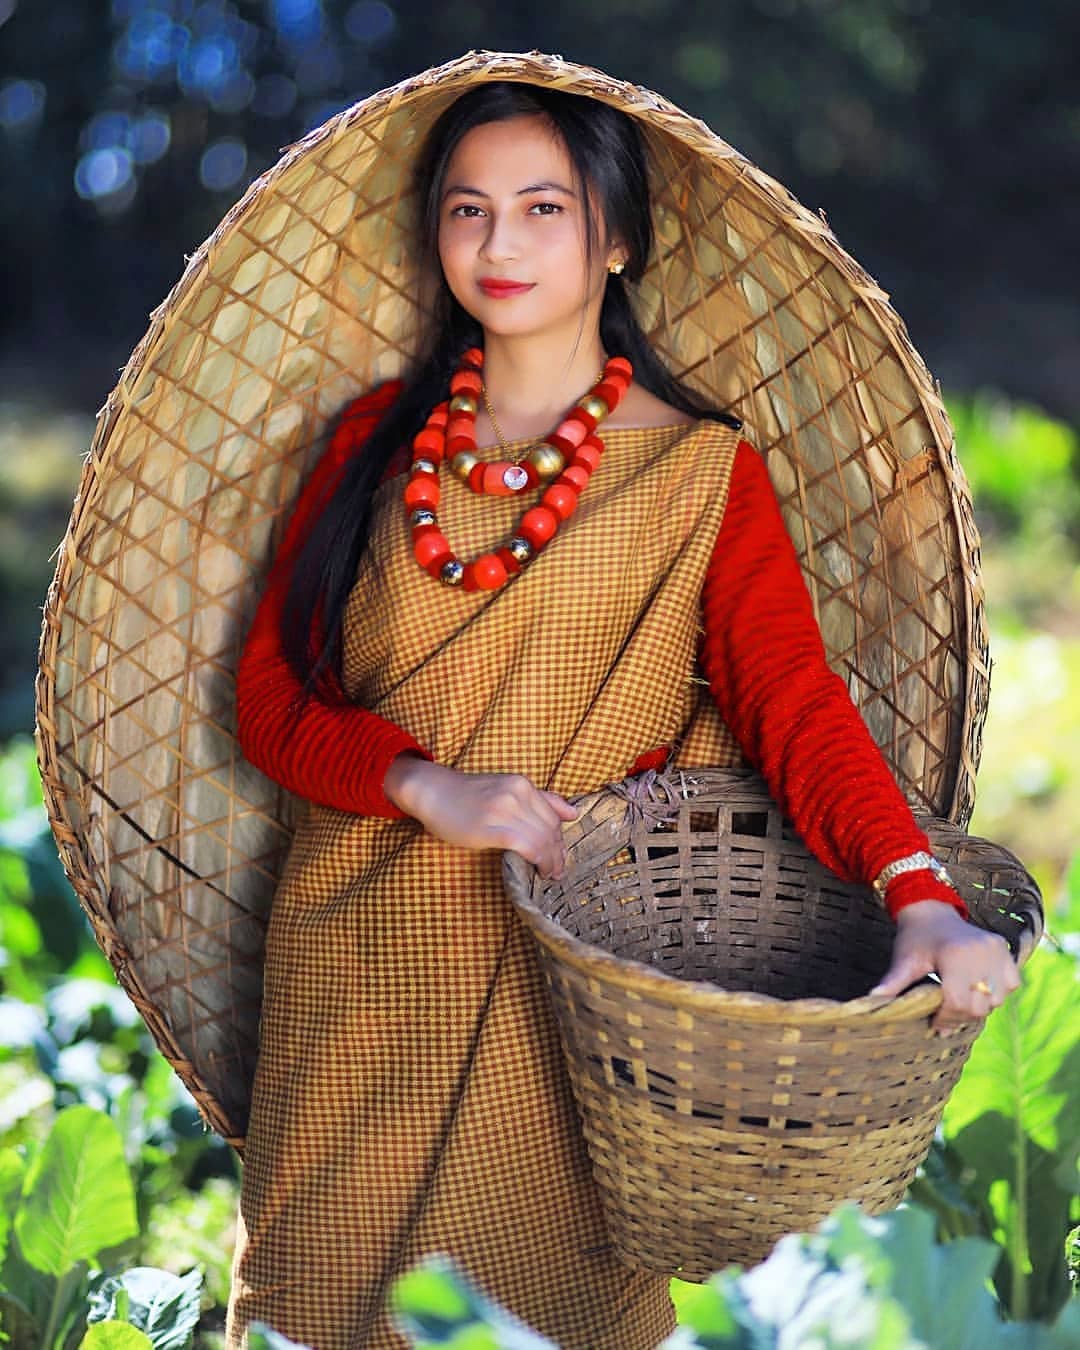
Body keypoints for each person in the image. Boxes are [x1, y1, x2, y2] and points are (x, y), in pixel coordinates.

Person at [225, 80, 1019, 1349]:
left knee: (543, 1314)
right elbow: (269, 698)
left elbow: (792, 705)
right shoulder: (374, 443)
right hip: (353, 974)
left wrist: (917, 888)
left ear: (618, 240)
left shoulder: (703, 473)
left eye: (545, 208)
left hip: (574, 982)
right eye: (467, 210)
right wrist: (427, 786)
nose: (499, 244)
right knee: (313, 1307)